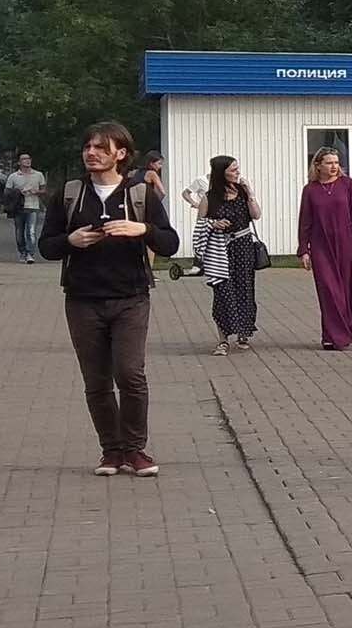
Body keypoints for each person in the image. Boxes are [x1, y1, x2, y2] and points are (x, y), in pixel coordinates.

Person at [41, 122, 180, 475]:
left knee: (130, 374)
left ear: (121, 154)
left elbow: (170, 243)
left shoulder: (140, 194)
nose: (91, 153)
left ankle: (135, 449)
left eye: (101, 148)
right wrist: (70, 241)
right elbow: (46, 246)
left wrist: (143, 229)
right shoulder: (70, 193)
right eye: (88, 147)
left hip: (130, 297)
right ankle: (112, 451)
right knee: (97, 380)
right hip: (82, 299)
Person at [297, 147, 352, 350]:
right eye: (329, 163)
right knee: (329, 291)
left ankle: (331, 336)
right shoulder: (310, 190)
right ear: (318, 165)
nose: (334, 167)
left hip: (345, 244)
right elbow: (305, 222)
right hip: (320, 246)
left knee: (344, 289)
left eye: (336, 163)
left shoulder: (347, 185)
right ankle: (338, 336)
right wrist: (303, 249)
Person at [194, 155, 262, 356]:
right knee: (222, 292)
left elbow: (256, 215)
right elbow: (199, 225)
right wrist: (213, 224)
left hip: (243, 248)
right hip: (220, 250)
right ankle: (223, 339)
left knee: (244, 290)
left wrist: (250, 192)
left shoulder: (242, 192)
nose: (237, 173)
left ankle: (243, 332)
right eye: (233, 170)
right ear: (221, 173)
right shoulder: (209, 198)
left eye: (237, 168)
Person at [5, 152, 49, 263]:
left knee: (31, 231)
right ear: (19, 162)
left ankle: (30, 253)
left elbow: (44, 190)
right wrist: (18, 192)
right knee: (19, 232)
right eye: (24, 159)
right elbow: (7, 192)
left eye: (29, 158)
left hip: (33, 206)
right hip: (18, 207)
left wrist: (36, 191)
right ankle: (22, 252)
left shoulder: (38, 175)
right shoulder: (13, 176)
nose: (27, 161)